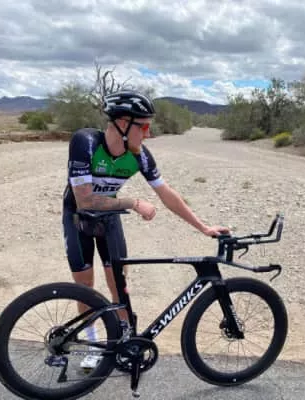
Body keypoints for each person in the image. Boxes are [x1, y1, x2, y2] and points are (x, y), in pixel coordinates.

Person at [61, 90, 230, 368]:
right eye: (144, 127)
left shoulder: (139, 155)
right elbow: (85, 200)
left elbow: (167, 194)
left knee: (119, 285)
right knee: (85, 286)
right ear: (122, 123)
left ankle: (124, 343)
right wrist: (134, 202)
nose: (148, 134)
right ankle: (90, 344)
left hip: (109, 218)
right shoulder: (86, 142)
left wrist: (203, 227)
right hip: (77, 217)